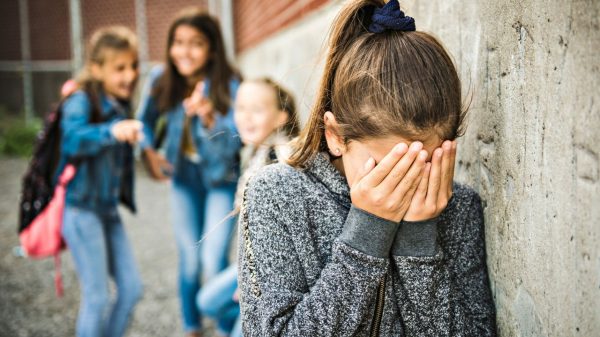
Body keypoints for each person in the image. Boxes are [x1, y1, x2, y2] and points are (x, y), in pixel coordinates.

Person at [238, 0, 497, 336]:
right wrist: (367, 234)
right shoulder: (275, 195)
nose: (404, 186)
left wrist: (419, 240)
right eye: (387, 168)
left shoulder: (457, 207)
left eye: (423, 164)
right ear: (335, 137)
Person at [136, 8, 241, 336]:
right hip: (184, 180)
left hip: (222, 180)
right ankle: (191, 325)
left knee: (213, 259)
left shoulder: (230, 83)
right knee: (191, 259)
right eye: (178, 42)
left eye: (196, 43)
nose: (185, 51)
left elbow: (237, 141)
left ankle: (227, 327)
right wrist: (148, 152)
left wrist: (210, 118)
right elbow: (144, 122)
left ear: (212, 48)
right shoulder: (160, 79)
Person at [197, 78, 299, 337]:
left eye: (257, 109)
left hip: (274, 273)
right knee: (206, 302)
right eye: (240, 108)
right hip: (252, 264)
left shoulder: (282, 160)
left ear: (280, 117)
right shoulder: (254, 154)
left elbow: (287, 235)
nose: (246, 117)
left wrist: (252, 283)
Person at [59, 26, 143, 337]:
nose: (130, 75)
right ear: (96, 69)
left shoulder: (120, 103)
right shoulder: (81, 100)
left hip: (107, 211)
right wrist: (111, 131)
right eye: (119, 68)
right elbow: (71, 140)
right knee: (96, 297)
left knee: (132, 289)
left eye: (133, 66)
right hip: (81, 211)